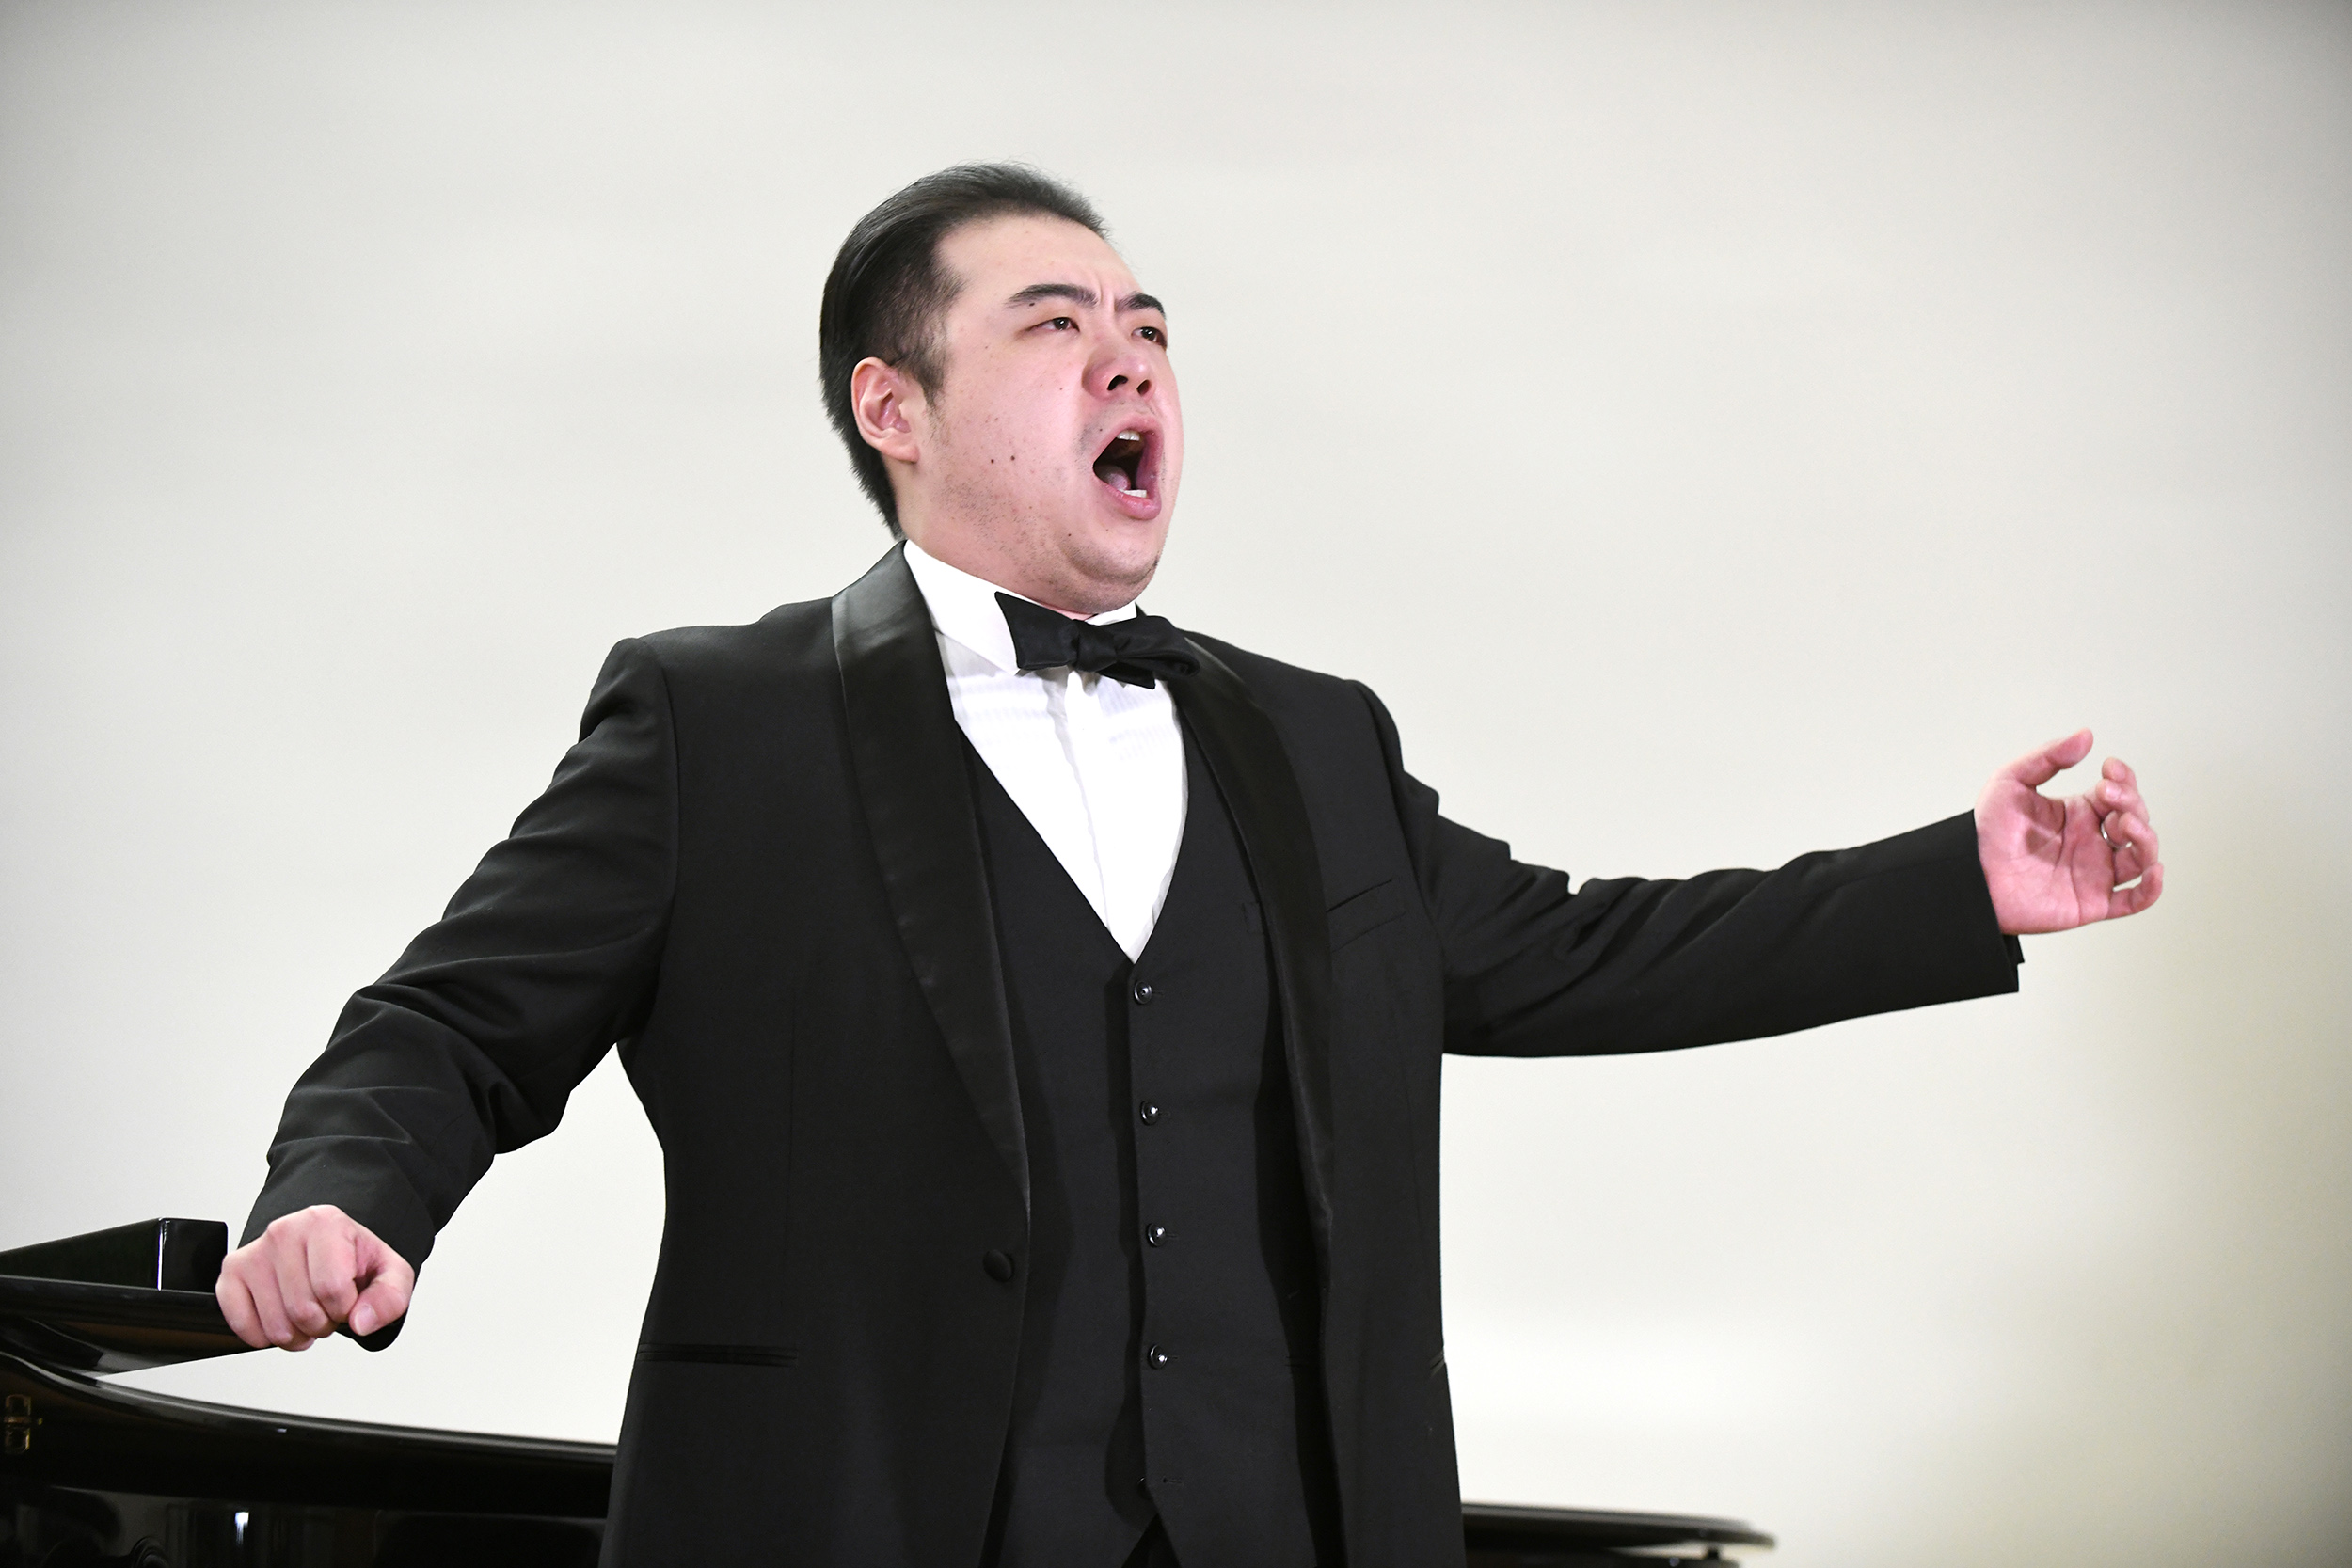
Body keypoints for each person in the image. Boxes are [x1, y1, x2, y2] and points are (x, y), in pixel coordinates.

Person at [215, 165, 2162, 1568]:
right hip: (862, 1516)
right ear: (894, 409)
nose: (1128, 362)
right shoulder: (717, 723)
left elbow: (1580, 952)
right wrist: (342, 1195)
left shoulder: (1310, 741)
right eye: (1056, 328)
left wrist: (1963, 883)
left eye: (1147, 332)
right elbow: (451, 1024)